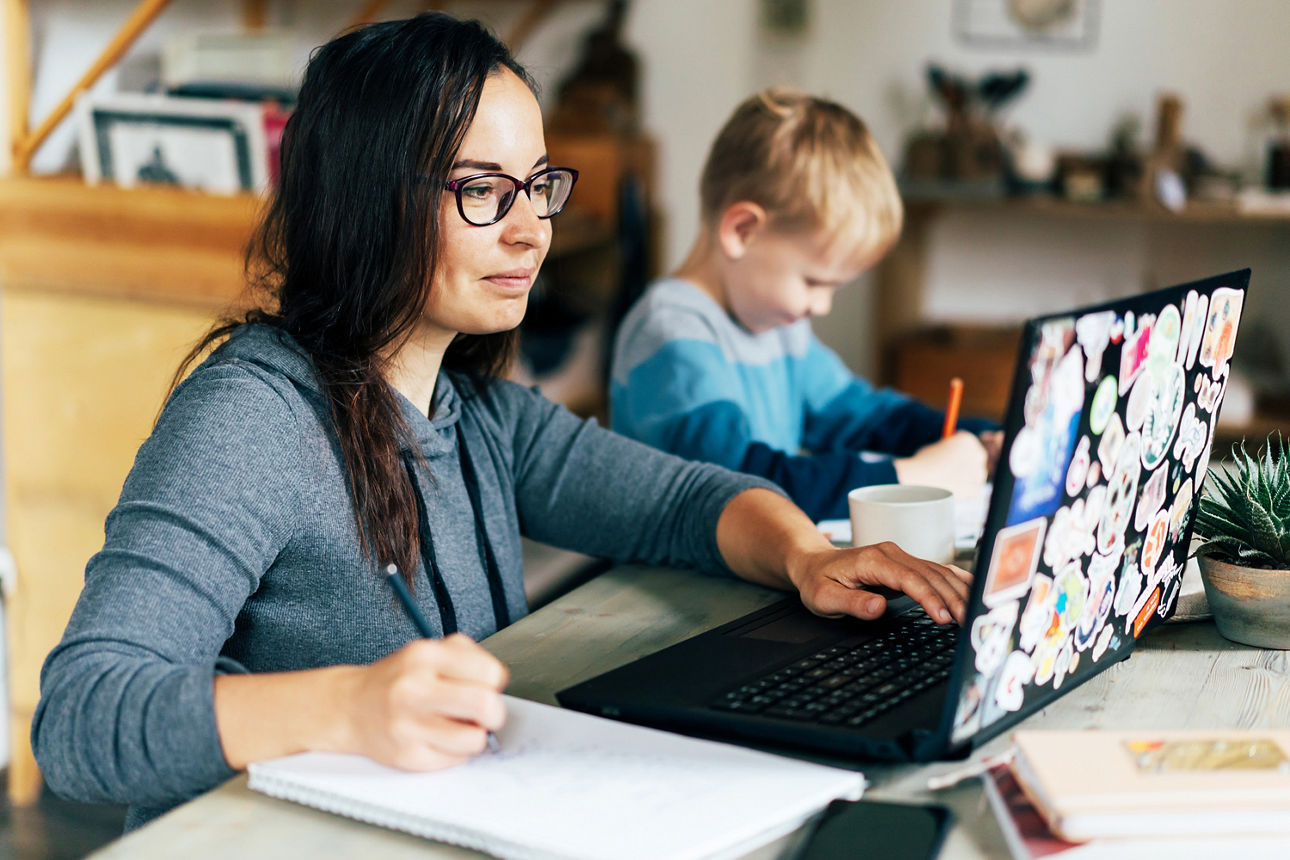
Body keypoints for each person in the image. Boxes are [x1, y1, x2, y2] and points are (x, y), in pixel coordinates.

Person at [32, 15, 972, 830]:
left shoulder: (478, 413)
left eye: (536, 186)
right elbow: (80, 719)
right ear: (371, 200)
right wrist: (348, 705)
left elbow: (683, 501)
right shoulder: (251, 419)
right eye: (483, 190)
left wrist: (805, 556)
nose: (531, 230)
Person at [609, 89, 1002, 521]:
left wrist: (983, 438)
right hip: (666, 582)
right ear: (742, 231)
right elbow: (744, 486)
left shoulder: (778, 326)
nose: (822, 306)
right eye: (814, 281)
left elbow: (865, 417)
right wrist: (907, 476)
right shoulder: (672, 335)